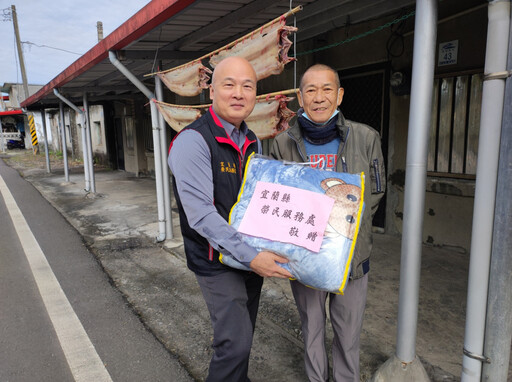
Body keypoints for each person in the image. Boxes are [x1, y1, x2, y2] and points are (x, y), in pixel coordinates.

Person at [168, 56, 292, 382]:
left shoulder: (251, 140)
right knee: (234, 344)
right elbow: (202, 216)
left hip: (248, 256)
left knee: (244, 336)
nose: (239, 93)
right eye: (229, 84)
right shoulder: (193, 141)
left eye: (247, 86)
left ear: (255, 95)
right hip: (215, 259)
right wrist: (254, 257)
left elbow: (259, 199)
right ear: (211, 92)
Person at [270, 64, 386, 382]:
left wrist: (341, 231)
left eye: (326, 89)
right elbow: (278, 199)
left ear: (339, 95)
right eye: (311, 90)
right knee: (312, 331)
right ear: (300, 97)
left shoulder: (365, 138)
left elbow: (375, 192)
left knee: (348, 337)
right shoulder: (282, 144)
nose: (319, 98)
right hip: (304, 256)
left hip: (352, 257)